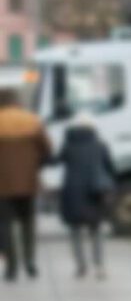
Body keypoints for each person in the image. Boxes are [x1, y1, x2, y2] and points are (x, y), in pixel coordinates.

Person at [0, 85, 50, 280]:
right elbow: (47, 150)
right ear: (17, 101)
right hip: (28, 182)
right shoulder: (32, 121)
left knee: (5, 225)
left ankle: (11, 267)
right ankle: (30, 262)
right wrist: (36, 165)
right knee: (28, 223)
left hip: (2, 185)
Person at [57, 120, 113, 277]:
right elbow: (110, 167)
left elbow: (56, 160)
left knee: (75, 231)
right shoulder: (100, 145)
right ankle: (99, 265)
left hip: (72, 193)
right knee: (96, 231)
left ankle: (80, 265)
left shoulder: (68, 146)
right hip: (94, 193)